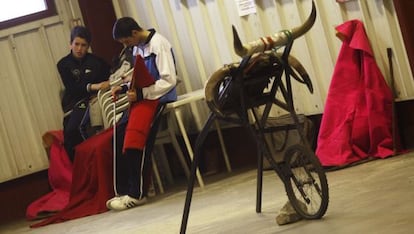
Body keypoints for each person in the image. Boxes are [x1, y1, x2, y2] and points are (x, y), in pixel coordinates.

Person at [106, 17, 177, 211]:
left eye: (126, 41)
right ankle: (124, 190)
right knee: (119, 135)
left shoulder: (158, 44)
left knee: (137, 141)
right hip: (143, 98)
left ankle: (137, 194)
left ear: (135, 34)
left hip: (158, 98)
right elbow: (139, 76)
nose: (126, 46)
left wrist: (141, 93)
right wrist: (123, 87)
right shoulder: (138, 47)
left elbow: (169, 80)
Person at [58, 26, 111, 161]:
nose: (79, 49)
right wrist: (94, 86)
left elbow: (110, 78)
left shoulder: (97, 62)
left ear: (88, 47)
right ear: (70, 44)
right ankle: (78, 167)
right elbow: (72, 89)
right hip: (77, 103)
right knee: (70, 131)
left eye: (83, 45)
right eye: (76, 44)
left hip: (96, 99)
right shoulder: (63, 64)